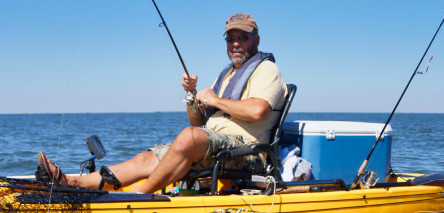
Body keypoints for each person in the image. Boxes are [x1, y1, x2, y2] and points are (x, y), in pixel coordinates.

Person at [36, 13, 287, 194]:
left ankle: (141, 194)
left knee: (188, 138)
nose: (235, 43)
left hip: (247, 153)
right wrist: (192, 97)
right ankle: (70, 181)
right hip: (214, 146)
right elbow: (198, 122)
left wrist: (214, 99)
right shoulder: (227, 75)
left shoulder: (267, 70)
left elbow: (257, 110)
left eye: (242, 37)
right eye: (230, 38)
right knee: (147, 158)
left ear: (256, 40)